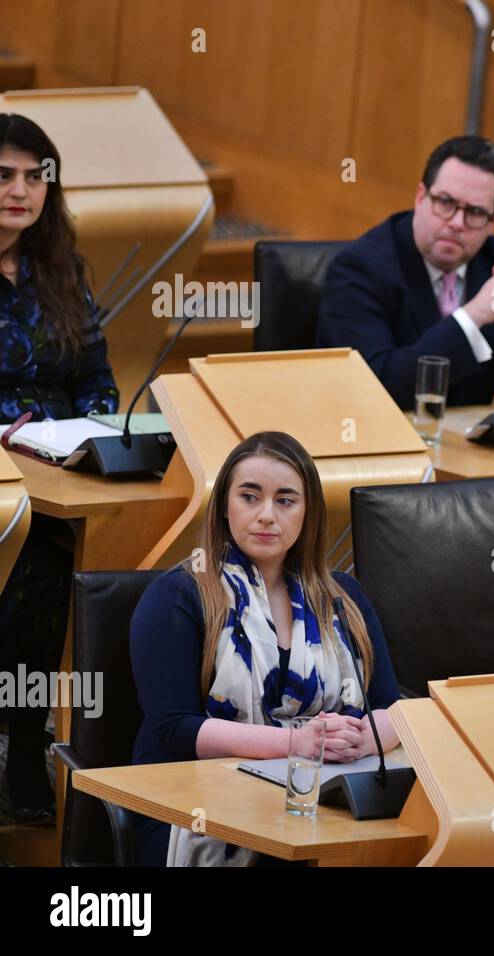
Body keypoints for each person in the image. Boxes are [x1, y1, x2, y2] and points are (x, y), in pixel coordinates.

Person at [129, 431, 401, 866]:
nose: (266, 516)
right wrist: (298, 743)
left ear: (308, 512)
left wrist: (360, 739)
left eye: (286, 500)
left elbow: (392, 707)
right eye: (249, 497)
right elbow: (174, 730)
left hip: (325, 794)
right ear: (223, 505)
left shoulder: (343, 597)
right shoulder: (178, 595)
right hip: (198, 806)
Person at [0, 114, 118, 822]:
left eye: (34, 177)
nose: (21, 190)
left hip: (60, 462)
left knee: (75, 561)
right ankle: (19, 749)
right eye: (4, 176)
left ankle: (28, 748)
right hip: (1, 474)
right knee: (40, 563)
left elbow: (97, 374)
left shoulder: (60, 270)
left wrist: (95, 426)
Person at [318, 135, 494, 408]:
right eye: (446, 203)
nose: (456, 223)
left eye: (475, 212)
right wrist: (473, 317)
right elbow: (374, 389)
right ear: (420, 197)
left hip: (469, 447)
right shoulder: (360, 267)